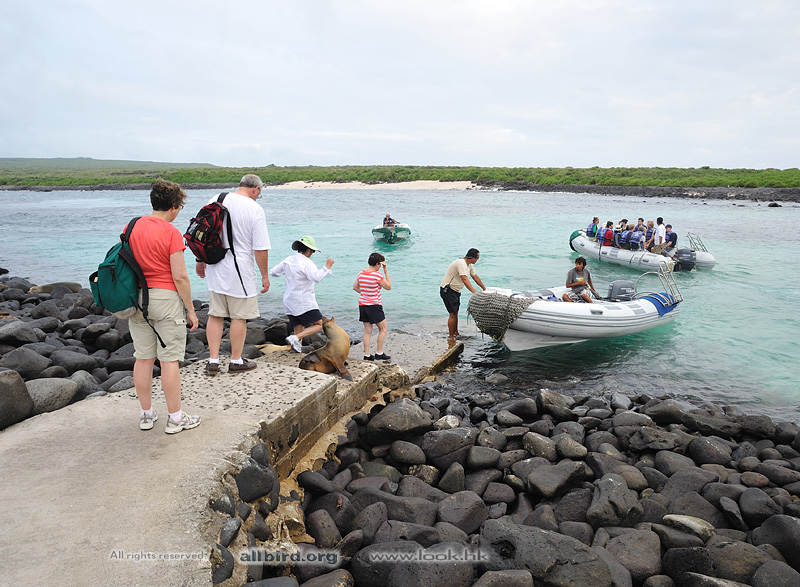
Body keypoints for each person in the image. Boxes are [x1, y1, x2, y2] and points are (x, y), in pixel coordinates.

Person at [128, 179, 200, 434]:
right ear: (173, 206)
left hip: (137, 299)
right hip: (165, 299)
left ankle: (146, 415)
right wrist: (190, 309)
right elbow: (180, 277)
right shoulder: (171, 233)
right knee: (169, 361)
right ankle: (176, 419)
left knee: (143, 358)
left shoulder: (132, 226)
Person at [196, 174, 271, 375]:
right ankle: (236, 360)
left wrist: (200, 260)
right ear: (256, 189)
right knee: (239, 317)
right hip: (240, 271)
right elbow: (260, 248)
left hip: (215, 266)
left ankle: (213, 360)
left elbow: (202, 233)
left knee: (215, 314)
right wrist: (264, 276)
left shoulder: (216, 198)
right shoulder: (254, 208)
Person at [270, 236, 333, 352]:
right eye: (313, 251)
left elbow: (273, 272)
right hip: (303, 301)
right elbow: (316, 278)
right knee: (319, 324)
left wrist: (288, 274)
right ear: (308, 250)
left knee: (298, 328)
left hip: (289, 300)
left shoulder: (288, 260)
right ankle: (295, 338)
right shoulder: (307, 263)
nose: (312, 253)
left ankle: (297, 349)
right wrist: (327, 267)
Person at [440, 248, 486, 340]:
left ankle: (456, 332)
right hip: (448, 290)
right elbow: (464, 279)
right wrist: (474, 292)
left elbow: (475, 277)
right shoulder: (461, 263)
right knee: (452, 314)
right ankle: (451, 337)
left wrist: (484, 289)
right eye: (477, 258)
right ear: (472, 257)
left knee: (455, 313)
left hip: (456, 291)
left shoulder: (469, 265)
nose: (477, 260)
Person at [353, 252, 392, 361]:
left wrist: (365, 293)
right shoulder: (377, 275)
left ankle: (367, 355)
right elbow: (388, 287)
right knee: (383, 329)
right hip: (374, 305)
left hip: (363, 305)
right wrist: (386, 272)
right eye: (381, 264)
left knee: (367, 331)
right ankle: (379, 352)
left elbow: (355, 287)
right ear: (377, 264)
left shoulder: (361, 274)